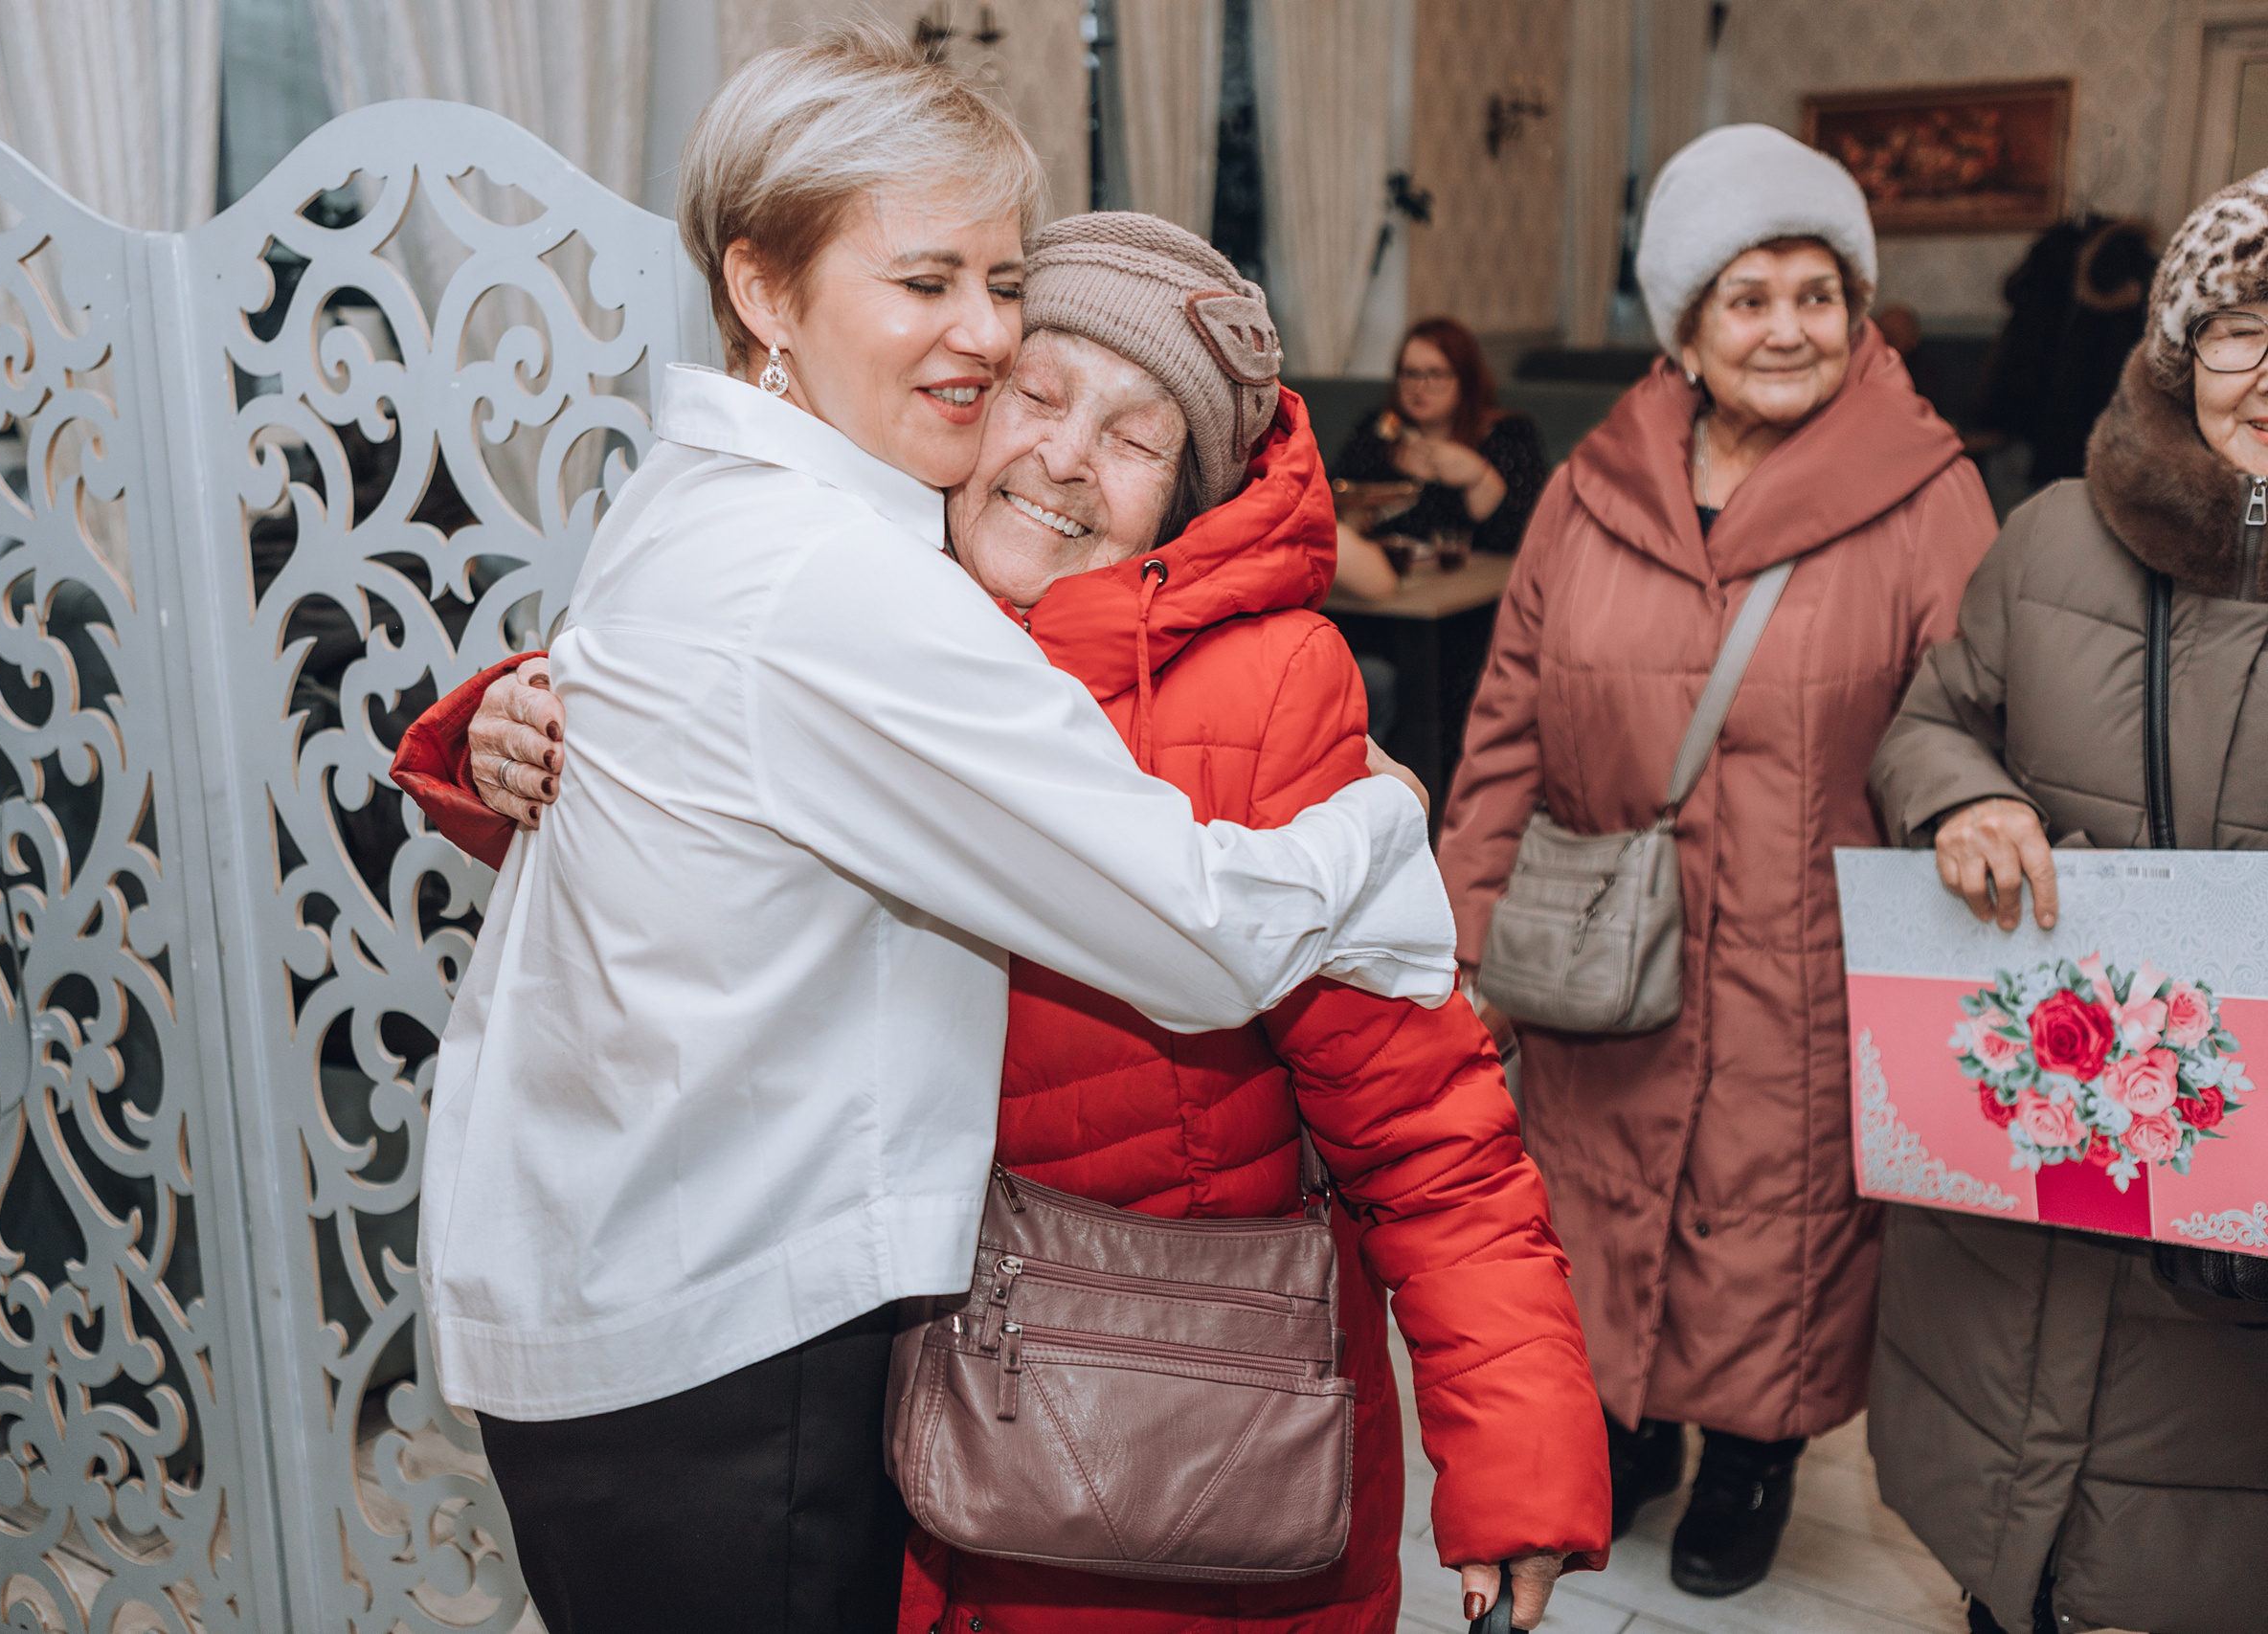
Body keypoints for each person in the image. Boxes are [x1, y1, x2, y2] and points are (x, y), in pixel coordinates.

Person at [409, 214, 1611, 1633]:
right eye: (1037, 398)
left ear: (1187, 497)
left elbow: (1428, 1133)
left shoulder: (1268, 694)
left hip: (1182, 1448)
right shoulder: (853, 606)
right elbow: (692, 834)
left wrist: (1520, 1460)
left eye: (1134, 437)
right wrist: (502, 734)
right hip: (900, 1421)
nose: (1062, 457)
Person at [1435, 124, 2000, 1598]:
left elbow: (1977, 718)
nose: (1788, 328)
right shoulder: (1589, 486)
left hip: (1807, 960)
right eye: (1749, 296)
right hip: (1607, 945)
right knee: (1601, 1198)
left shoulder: (1926, 490)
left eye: (1820, 292)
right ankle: (1623, 1432)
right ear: (1684, 325)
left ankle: (1751, 1451)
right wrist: (1465, 928)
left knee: (1772, 1225)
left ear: (1860, 310)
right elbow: (1504, 722)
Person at [1864, 172, 2268, 1634]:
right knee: (2015, 1560)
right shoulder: (2049, 536)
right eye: (2239, 325)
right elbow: (1928, 718)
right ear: (2177, 345)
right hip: (2030, 1170)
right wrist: (1959, 795)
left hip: (2238, 1229)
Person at [1336, 315, 1549, 559]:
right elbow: (1331, 493)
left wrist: (1478, 477)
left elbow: (1524, 539)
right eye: (1410, 373)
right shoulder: (1379, 430)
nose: (1420, 387)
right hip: (1387, 575)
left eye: (1436, 374)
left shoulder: (1508, 435)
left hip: (1473, 582)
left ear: (1465, 380)